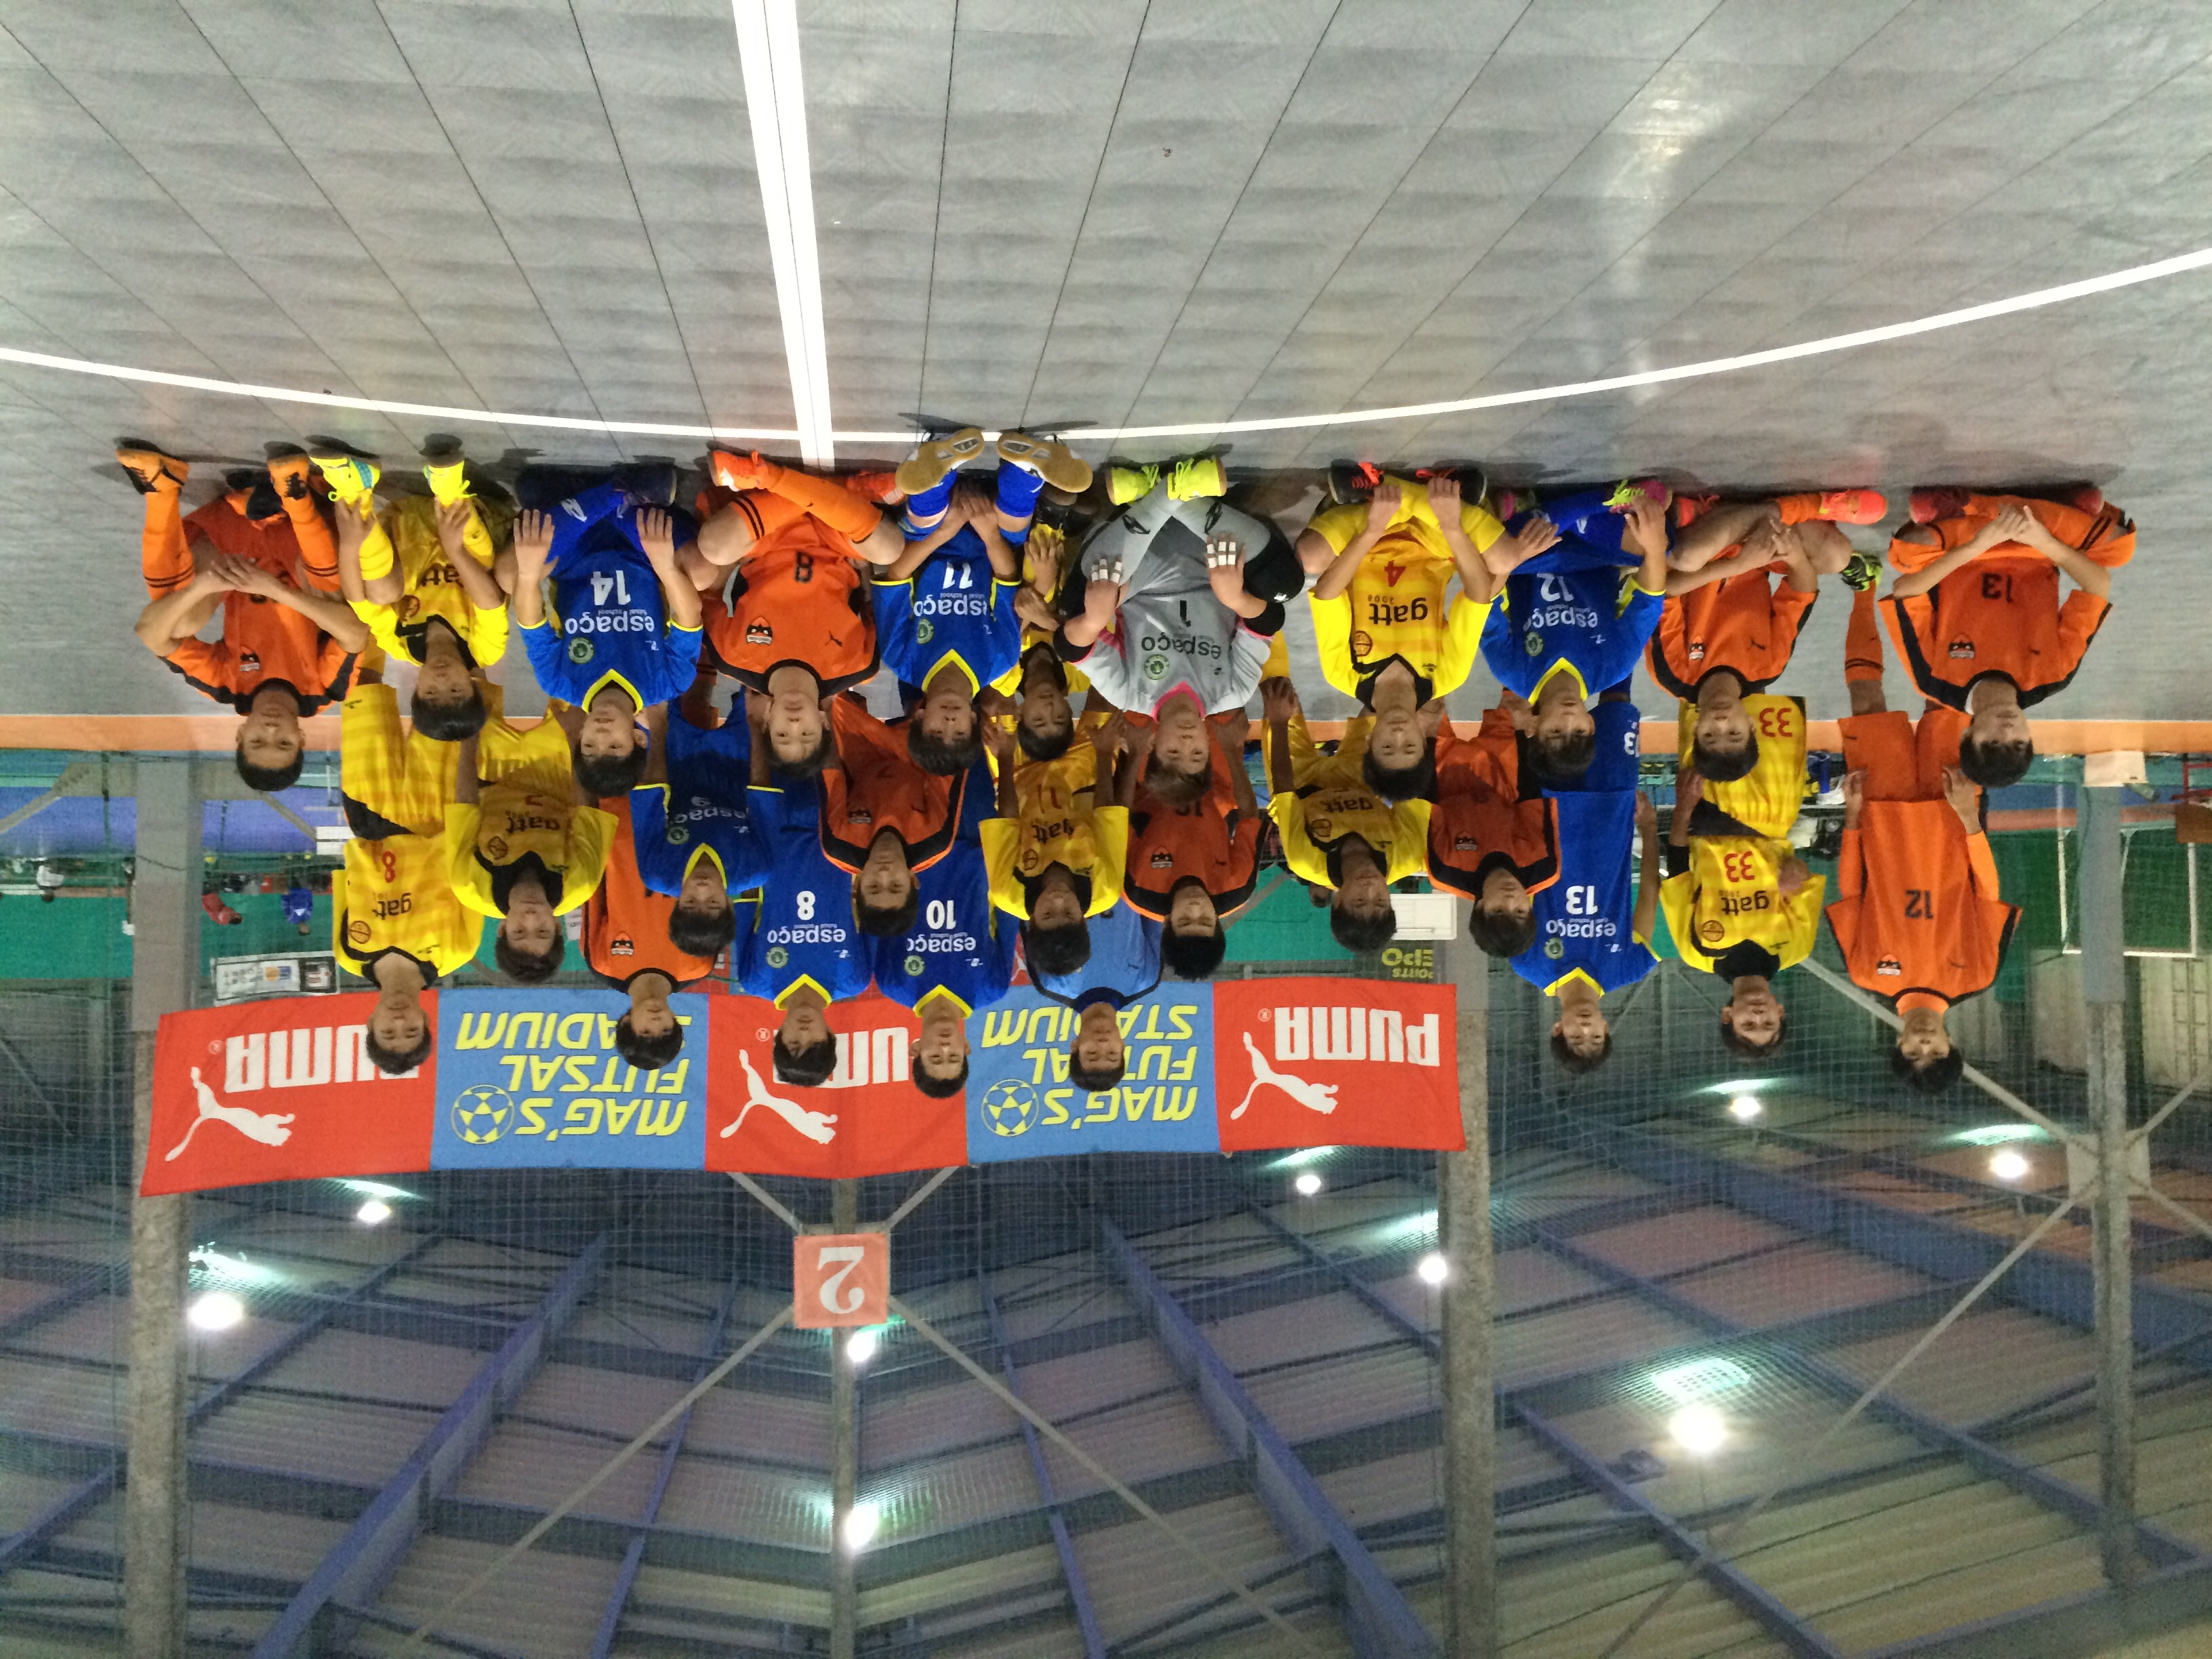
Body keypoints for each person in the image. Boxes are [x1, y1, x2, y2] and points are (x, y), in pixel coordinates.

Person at [1826, 584, 2021, 1090]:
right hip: (1951, 813)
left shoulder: (1866, 974)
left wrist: (1852, 818)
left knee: (1866, 701)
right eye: (1934, 1052)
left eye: (1913, 1052)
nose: (1923, 1042)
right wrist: (1969, 818)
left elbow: (1851, 891)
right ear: (1952, 1045)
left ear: (1898, 1045)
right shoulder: (1978, 975)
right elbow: (1988, 893)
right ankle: (1945, 589)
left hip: (1881, 819)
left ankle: (1863, 588)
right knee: (1948, 696)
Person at [122, 440, 366, 790]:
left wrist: (202, 586)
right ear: (301, 738)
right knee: (339, 600)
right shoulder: (326, 690)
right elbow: (356, 634)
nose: (271, 729)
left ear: (240, 734)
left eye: (257, 741)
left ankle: (162, 486)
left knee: (179, 619)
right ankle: (295, 496)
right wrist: (278, 591)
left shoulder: (226, 687)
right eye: (284, 742)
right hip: (303, 545)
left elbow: (150, 634)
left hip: (237, 542)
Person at [1297, 470, 1550, 797]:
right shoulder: (1447, 677)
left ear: (1369, 741)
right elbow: (1478, 595)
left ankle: (1412, 492)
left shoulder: (1343, 675)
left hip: (1369, 535)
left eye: (1388, 747)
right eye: (1410, 746)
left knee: (1310, 558)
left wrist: (1374, 528)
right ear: (1423, 736)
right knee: (1505, 559)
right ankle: (1386, 488)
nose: (1398, 734)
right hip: (1433, 543)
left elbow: (1327, 592)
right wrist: (1451, 525)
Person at [1881, 493, 2124, 787]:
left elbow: (1905, 591)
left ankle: (2019, 506)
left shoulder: (1933, 680)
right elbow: (2098, 586)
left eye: (1994, 741)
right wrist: (2044, 541)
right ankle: (1984, 505)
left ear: (1967, 734)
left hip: (1962, 546)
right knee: (2118, 548)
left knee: (1909, 551)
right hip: (2036, 545)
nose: (2008, 730)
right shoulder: (2055, 675)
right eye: (2019, 743)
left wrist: (1978, 545)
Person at [687, 451, 903, 776]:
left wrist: (734, 560)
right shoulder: (859, 667)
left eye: (782, 734)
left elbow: (709, 595)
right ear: (823, 722)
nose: (794, 722)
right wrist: (865, 569)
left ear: (767, 721)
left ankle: (836, 487)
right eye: (806, 733)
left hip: (769, 533)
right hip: (835, 539)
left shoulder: (732, 659)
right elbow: (879, 606)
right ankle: (830, 487)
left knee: (713, 548)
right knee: (889, 550)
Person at [1060, 477, 1293, 753]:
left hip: (1141, 562)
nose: (1186, 742)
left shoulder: (1129, 695)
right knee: (1284, 585)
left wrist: (1093, 621)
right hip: (1214, 556)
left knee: (1076, 608)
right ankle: (1167, 494)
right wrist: (1235, 598)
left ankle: (1164, 495)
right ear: (1208, 744)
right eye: (1197, 754)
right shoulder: (1233, 692)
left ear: (1154, 743)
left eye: (1173, 753)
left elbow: (1070, 647)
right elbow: (1269, 621)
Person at [331, 674, 485, 1073]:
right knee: (449, 686)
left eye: (388, 1032)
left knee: (364, 681)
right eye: (411, 1031)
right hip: (435, 811)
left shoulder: (348, 953)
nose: (399, 1021)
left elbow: (348, 878)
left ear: (371, 1023)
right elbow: (471, 863)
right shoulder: (458, 951)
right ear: (426, 1020)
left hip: (369, 811)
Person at [510, 488, 703, 797]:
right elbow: (690, 614)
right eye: (614, 745)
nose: (601, 732)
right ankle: (603, 496)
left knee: (512, 576)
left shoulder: (558, 681)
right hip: (642, 552)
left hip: (575, 554)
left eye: (589, 745)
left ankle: (605, 496)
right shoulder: (669, 682)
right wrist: (665, 567)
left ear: (579, 736)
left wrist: (529, 575)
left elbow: (530, 620)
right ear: (638, 738)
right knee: (702, 573)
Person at [1507, 682, 1659, 1072]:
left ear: (1558, 1028)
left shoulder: (1528, 963)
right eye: (1596, 1036)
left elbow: (1517, 885)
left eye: (1576, 1036)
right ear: (1607, 1028)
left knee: (1544, 712)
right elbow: (1649, 894)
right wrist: (1648, 829)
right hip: (1612, 808)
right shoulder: (1630, 966)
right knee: (1616, 700)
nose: (1586, 1028)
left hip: (1548, 811)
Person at [1477, 493, 1671, 787]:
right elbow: (1649, 601)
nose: (1568, 718)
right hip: (1592, 554)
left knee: (1485, 554)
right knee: (1670, 543)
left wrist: (1513, 558)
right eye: (1579, 731)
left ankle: (1580, 506)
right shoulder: (1613, 667)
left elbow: (1485, 601)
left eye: (1555, 731)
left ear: (1534, 726)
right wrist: (1655, 548)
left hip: (1529, 556)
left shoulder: (1511, 671)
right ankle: (1550, 510)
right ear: (1591, 724)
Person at [329, 441, 514, 739]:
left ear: (416, 688)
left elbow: (358, 601)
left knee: (381, 594)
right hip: (472, 529)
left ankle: (357, 488)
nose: (441, 679)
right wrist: (454, 550)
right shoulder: (484, 651)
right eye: (456, 690)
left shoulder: (401, 645)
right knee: (488, 576)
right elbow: (490, 601)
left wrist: (350, 545)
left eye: (431, 692)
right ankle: (449, 489)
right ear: (473, 684)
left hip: (411, 526)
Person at [739, 694, 872, 1088]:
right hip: (831, 823)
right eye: (812, 1043)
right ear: (829, 1036)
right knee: (826, 711)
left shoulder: (756, 979)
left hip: (773, 823)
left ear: (778, 1037)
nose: (802, 1032)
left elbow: (744, 893)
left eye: (792, 1043)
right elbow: (871, 904)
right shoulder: (855, 977)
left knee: (774, 716)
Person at [1649, 512, 1832, 781]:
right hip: (1757, 552)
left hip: (1698, 550)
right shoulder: (1769, 666)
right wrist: (1793, 556)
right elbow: (1802, 593)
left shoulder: (1672, 674)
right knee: (1835, 556)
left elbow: (1661, 591)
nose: (1721, 722)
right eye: (1735, 733)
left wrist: (1738, 564)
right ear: (1751, 725)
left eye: (1710, 735)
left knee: (1689, 556)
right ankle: (1775, 512)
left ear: (1695, 728)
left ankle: (1770, 510)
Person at [872, 754, 1015, 1099]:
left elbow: (880, 913)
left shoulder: (893, 983)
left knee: (910, 745)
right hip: (971, 834)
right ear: (967, 1048)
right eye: (953, 1057)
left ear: (916, 1049)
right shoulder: (992, 986)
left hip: (910, 844)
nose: (946, 1047)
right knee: (964, 740)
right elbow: (1009, 904)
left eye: (936, 1056)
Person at [445, 710, 618, 982]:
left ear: (502, 929)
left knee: (476, 700)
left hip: (495, 770)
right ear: (557, 928)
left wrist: (471, 735)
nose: (530, 917)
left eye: (519, 932)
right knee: (573, 704)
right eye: (542, 931)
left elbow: (465, 802)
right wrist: (574, 738)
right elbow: (587, 807)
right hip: (558, 769)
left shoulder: (468, 885)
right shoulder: (581, 882)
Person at [871, 476, 1025, 775]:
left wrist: (946, 529)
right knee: (1016, 521)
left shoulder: (900, 658)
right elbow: (1007, 579)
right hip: (991, 537)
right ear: (974, 720)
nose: (950, 723)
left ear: (919, 717)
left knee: (925, 510)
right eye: (959, 732)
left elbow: (896, 576)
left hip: (927, 536)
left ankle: (938, 468)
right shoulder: (1002, 659)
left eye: (938, 731)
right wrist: (990, 534)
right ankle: (1025, 469)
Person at [1261, 678, 1428, 954]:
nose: (1370, 888)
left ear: (1338, 901)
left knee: (1277, 690)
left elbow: (1284, 791)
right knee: (1388, 701)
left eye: (1359, 901)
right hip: (1360, 781)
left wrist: (1279, 723)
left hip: (1299, 783)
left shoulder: (1304, 861)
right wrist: (1422, 725)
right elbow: (1411, 784)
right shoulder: (1407, 855)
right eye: (1380, 901)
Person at [980, 712, 1132, 980]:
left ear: (1032, 920)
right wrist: (1104, 751)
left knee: (998, 710)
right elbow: (1106, 811)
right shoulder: (1106, 888)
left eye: (1049, 913)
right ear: (1084, 919)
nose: (1058, 899)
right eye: (1069, 912)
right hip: (1080, 779)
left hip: (1020, 778)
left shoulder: (1007, 893)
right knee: (1103, 706)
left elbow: (1007, 818)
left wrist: (1004, 755)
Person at [583, 790, 720, 1075]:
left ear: (626, 1023)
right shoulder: (698, 966)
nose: (656, 1021)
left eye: (646, 1031)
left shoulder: (603, 964)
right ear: (675, 1022)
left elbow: (589, 881)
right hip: (691, 820)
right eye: (665, 1029)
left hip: (621, 813)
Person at [628, 701, 769, 971]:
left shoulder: (657, 872)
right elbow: (762, 791)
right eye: (713, 903)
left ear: (676, 902)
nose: (702, 888)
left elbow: (651, 792)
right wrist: (756, 724)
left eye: (691, 902)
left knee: (659, 695)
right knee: (759, 693)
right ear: (729, 904)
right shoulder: (755, 868)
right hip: (739, 764)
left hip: (677, 762)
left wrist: (657, 726)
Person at [1124, 711, 1263, 978]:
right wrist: (1230, 747)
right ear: (1218, 922)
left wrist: (1134, 751)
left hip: (1152, 777)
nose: (1196, 907)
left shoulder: (1137, 890)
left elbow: (1120, 815)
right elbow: (1249, 815)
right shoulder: (1238, 888)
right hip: (1215, 782)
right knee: (1224, 702)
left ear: (1167, 923)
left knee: (1142, 697)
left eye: (1185, 920)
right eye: (1206, 920)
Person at [816, 695, 968, 938]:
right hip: (916, 755)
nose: (884, 873)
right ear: (913, 881)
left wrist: (823, 709)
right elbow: (948, 763)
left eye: (874, 886)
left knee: (823, 705)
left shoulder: (838, 845)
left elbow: (829, 767)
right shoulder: (937, 839)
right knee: (947, 716)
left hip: (864, 759)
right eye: (896, 885)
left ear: (857, 884)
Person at [1423, 697, 1561, 959]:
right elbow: (1530, 796)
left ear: (1480, 907)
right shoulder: (1544, 867)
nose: (1510, 899)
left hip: (1445, 775)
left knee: (1429, 696)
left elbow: (1426, 803)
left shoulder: (1444, 871)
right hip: (1503, 775)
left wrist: (1428, 735)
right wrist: (1522, 731)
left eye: (1498, 910)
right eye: (1520, 911)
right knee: (1518, 697)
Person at [1031, 899, 1163, 1097]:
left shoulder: (1052, 983)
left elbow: (1029, 914)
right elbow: (1155, 906)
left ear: (1075, 1046)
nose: (1102, 1043)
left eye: (1092, 1054)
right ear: (1123, 1046)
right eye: (1112, 1053)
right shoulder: (1146, 979)